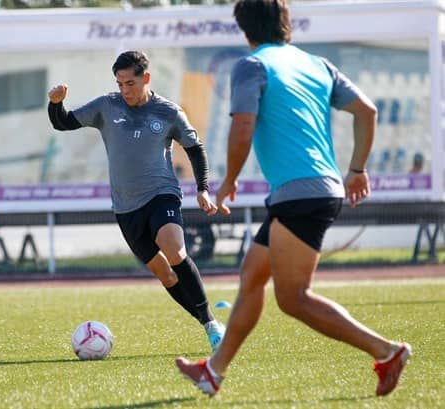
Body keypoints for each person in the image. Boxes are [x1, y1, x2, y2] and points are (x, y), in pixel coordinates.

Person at [175, 0, 411, 397]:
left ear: (245, 29)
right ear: (286, 23)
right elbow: (367, 111)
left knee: (293, 298)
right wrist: (357, 169)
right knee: (252, 277)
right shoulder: (315, 64)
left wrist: (228, 181)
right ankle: (214, 372)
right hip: (311, 189)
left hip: (301, 194)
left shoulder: (252, 65)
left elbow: (243, 127)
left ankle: (386, 351)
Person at [48, 50, 226, 351]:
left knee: (175, 248)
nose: (124, 90)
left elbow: (195, 148)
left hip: (161, 194)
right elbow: (63, 123)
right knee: (164, 274)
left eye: (130, 83)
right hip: (126, 207)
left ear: (146, 78)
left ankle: (211, 324)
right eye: (120, 84)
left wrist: (203, 188)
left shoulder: (168, 112)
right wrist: (56, 103)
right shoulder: (107, 105)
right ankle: (204, 321)